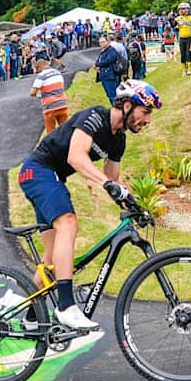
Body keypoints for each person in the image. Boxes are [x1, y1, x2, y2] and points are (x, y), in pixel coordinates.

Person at [18, 79, 161, 330]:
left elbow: (114, 180)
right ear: (127, 105)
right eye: (145, 111)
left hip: (51, 176)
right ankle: (65, 306)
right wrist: (107, 184)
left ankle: (29, 317)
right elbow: (76, 157)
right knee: (68, 224)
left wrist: (133, 206)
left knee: (54, 262)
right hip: (38, 171)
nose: (147, 119)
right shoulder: (95, 117)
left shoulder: (119, 140)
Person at [29, 58, 69, 133]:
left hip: (50, 107)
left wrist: (39, 94)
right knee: (65, 130)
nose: (37, 72)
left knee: (50, 132)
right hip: (62, 104)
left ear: (39, 67)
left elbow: (32, 93)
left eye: (37, 70)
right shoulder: (58, 72)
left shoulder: (41, 76)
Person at [175, 2, 191, 76]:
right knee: (182, 55)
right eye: (181, 9)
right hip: (181, 38)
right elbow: (173, 26)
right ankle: (184, 70)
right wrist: (172, 18)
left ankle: (190, 68)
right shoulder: (178, 18)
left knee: (189, 54)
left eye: (184, 9)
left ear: (187, 9)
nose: (182, 11)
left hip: (190, 38)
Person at [95, 35, 118, 105]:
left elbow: (109, 60)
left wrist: (97, 64)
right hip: (104, 76)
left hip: (110, 76)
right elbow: (99, 61)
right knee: (109, 95)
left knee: (113, 96)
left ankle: (118, 111)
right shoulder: (103, 51)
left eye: (103, 42)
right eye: (100, 43)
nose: (101, 44)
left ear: (107, 42)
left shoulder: (111, 50)